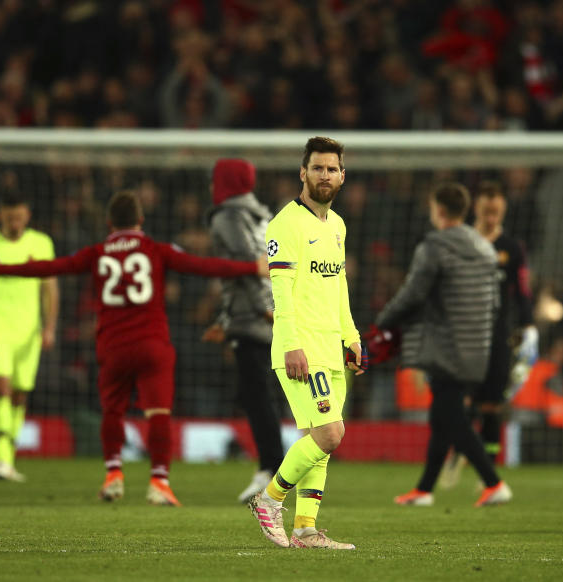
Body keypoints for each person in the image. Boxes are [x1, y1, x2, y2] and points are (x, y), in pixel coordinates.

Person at [0, 190, 267, 506]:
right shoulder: (156, 249)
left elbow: (53, 267)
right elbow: (204, 266)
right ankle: (159, 481)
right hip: (152, 345)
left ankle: (113, 476)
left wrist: (3, 269)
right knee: (158, 413)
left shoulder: (98, 251)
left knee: (112, 411)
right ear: (140, 221)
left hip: (113, 347)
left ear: (109, 222)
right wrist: (252, 267)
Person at [247, 136, 363, 551]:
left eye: (332, 169)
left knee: (320, 443)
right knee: (331, 433)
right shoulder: (285, 225)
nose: (325, 175)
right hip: (301, 349)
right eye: (317, 168)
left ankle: (306, 530)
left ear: (342, 176)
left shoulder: (337, 226)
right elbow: (280, 292)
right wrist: (292, 344)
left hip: (331, 347)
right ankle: (269, 499)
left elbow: (339, 287)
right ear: (303, 172)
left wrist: (351, 336)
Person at [376, 182, 513, 508]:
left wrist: (383, 322)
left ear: (438, 210)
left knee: (451, 418)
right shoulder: (484, 248)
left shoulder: (434, 247)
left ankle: (493, 482)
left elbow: (413, 294)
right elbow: (495, 303)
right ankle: (424, 489)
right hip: (477, 347)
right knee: (442, 418)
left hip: (443, 346)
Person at [200, 158, 283, 504]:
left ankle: (271, 470)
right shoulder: (261, 215)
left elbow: (248, 267)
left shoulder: (227, 218)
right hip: (258, 313)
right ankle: (273, 467)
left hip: (254, 318)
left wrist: (266, 310)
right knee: (257, 394)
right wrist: (224, 318)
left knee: (256, 395)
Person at [0, 194, 58, 482]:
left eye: (19, 216)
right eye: (10, 216)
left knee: (20, 393)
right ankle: (1, 459)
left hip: (28, 330)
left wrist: (49, 327)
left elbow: (50, 288)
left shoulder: (42, 243)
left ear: (28, 214)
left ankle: (8, 457)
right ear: (0, 214)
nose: (15, 221)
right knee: (1, 387)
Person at [471, 181, 536, 462]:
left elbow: (521, 290)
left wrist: (529, 326)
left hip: (498, 333)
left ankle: (489, 466)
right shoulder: (463, 241)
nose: (490, 217)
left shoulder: (511, 247)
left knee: (492, 403)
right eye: (486, 211)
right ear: (477, 208)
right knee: (461, 400)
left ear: (503, 211)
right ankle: (456, 456)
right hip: (464, 332)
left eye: (495, 212)